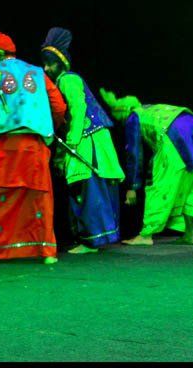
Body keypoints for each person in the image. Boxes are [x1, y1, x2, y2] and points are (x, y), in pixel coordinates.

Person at [0, 18, 66, 264]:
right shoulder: (37, 72)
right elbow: (58, 105)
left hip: (2, 144)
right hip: (33, 145)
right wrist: (47, 129)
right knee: (37, 197)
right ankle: (45, 251)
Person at [99, 90, 193, 245]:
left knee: (159, 185)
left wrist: (132, 187)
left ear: (121, 111)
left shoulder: (134, 117)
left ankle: (146, 235)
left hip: (177, 138)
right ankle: (190, 234)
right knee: (192, 186)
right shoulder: (151, 109)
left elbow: (134, 153)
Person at [40, 28, 124, 254]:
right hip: (89, 139)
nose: (46, 68)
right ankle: (93, 239)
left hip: (89, 140)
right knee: (87, 187)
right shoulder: (62, 82)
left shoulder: (68, 79)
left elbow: (78, 108)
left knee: (88, 188)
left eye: (50, 64)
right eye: (44, 64)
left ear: (61, 63)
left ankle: (91, 241)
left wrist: (73, 143)